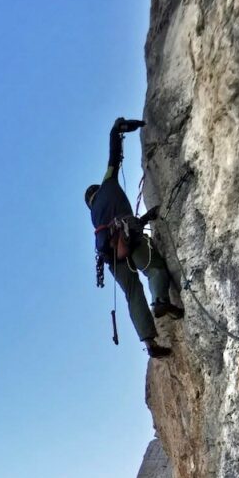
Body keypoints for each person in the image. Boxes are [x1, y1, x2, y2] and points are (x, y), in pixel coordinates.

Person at [85, 117, 183, 359]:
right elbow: (113, 158)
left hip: (111, 256)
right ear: (98, 189)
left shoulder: (95, 216)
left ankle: (150, 344)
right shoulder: (108, 184)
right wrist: (116, 130)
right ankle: (160, 300)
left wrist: (145, 218)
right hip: (128, 239)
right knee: (154, 267)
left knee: (132, 294)